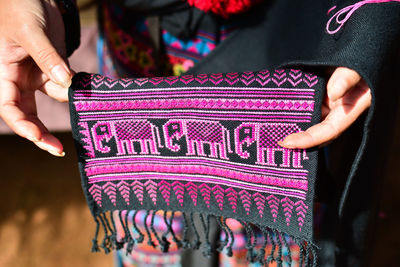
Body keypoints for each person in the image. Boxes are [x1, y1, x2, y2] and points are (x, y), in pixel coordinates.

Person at [0, 0, 398, 266]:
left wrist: (373, 30)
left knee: (276, 232)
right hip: (138, 50)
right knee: (155, 222)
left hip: (297, 44)